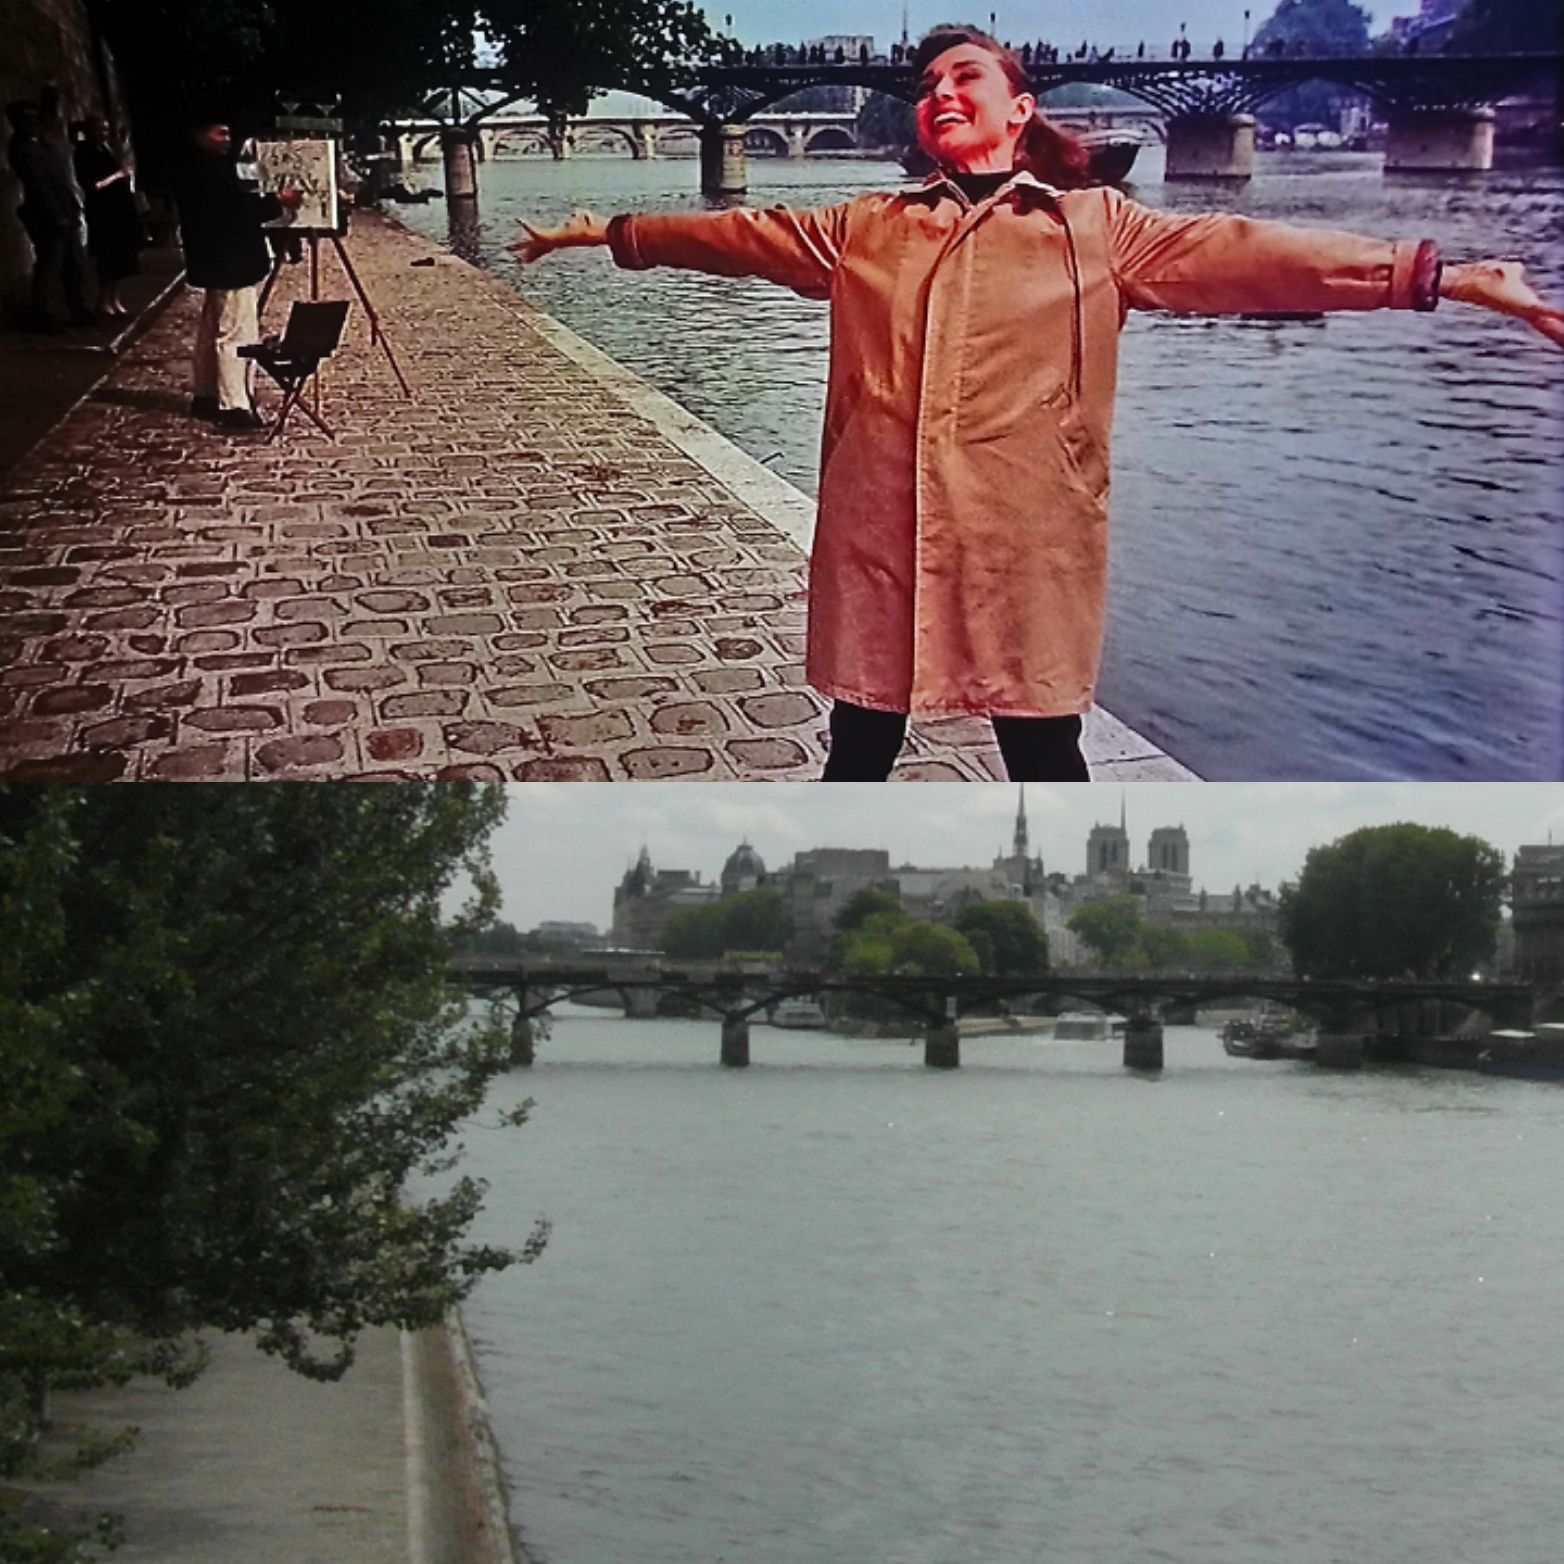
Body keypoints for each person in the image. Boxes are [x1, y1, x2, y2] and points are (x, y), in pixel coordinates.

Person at [513, 25, 1564, 783]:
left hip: (1028, 533)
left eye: (964, 75)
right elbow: (733, 239)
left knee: (1041, 746)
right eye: (927, 83)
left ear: (1020, 111)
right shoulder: (867, 229)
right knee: (861, 739)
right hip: (881, 525)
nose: (940, 91)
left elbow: (1258, 258)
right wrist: (605, 230)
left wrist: (1447, 275)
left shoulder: (1097, 228)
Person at [170, 113, 299, 430]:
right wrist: (276, 201)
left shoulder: (196, 166)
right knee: (236, 332)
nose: (227, 140)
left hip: (218, 260)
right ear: (200, 134)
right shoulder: (207, 171)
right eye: (220, 133)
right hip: (230, 261)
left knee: (213, 329)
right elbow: (235, 211)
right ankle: (234, 404)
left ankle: (206, 393)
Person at [6, 92, 92, 331]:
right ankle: (44, 314)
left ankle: (77, 309)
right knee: (50, 266)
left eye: (35, 118)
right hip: (47, 215)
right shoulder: (23, 148)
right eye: (26, 119)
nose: (33, 123)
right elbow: (38, 184)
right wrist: (56, 214)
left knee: (73, 264)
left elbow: (60, 179)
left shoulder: (43, 144)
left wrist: (72, 208)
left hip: (65, 211)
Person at [72, 115, 143, 317]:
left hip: (118, 211)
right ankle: (104, 300)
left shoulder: (105, 150)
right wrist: (117, 176)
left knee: (120, 259)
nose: (102, 134)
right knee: (107, 259)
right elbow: (92, 185)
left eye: (104, 130)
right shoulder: (84, 152)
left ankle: (115, 298)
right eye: (97, 130)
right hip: (103, 213)